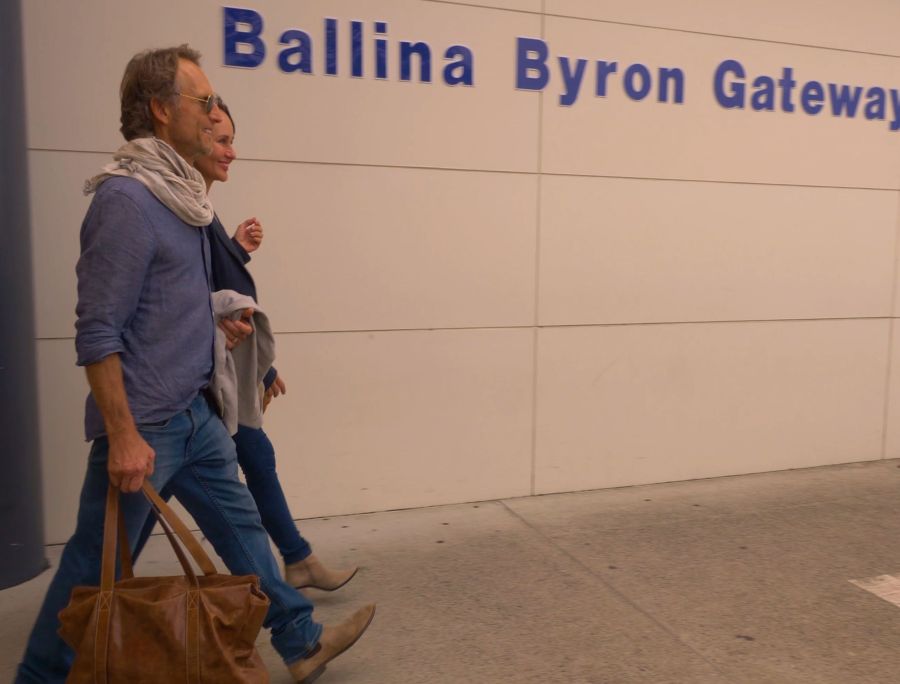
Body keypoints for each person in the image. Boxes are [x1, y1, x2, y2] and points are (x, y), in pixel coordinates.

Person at [15, 45, 374, 684]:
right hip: (146, 424)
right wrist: (122, 435)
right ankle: (40, 675)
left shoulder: (181, 200)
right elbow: (98, 331)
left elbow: (164, 304)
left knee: (241, 532)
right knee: (95, 565)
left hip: (193, 410)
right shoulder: (126, 201)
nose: (214, 115)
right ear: (160, 109)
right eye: (203, 101)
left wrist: (219, 326)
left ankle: (300, 641)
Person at [135, 99, 357, 592]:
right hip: (194, 386)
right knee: (151, 500)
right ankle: (88, 608)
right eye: (220, 139)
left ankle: (294, 588)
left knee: (238, 469)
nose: (230, 151)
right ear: (187, 136)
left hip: (216, 377)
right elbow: (187, 295)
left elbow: (207, 284)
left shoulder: (198, 207)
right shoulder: (175, 208)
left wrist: (259, 368)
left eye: (232, 140)